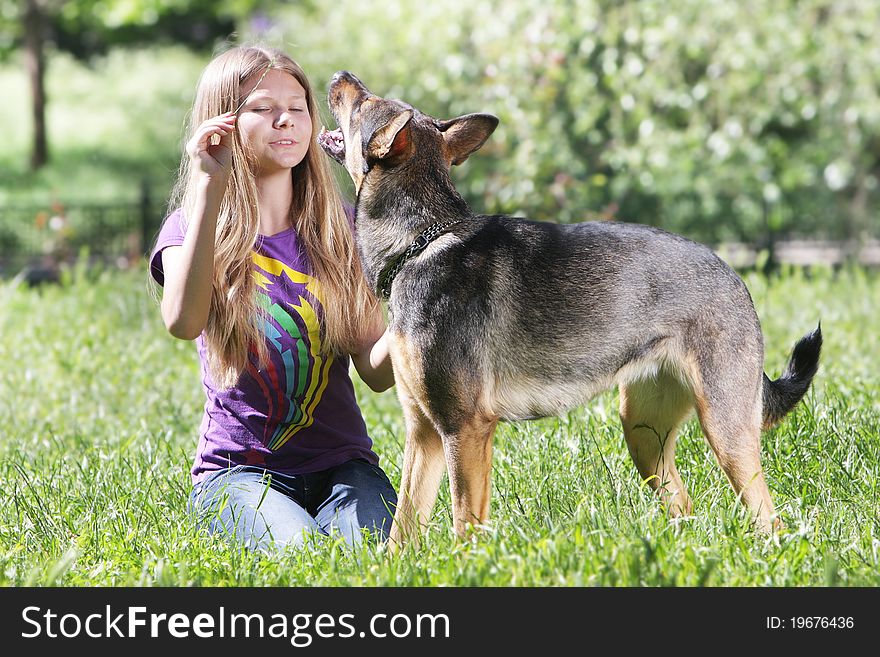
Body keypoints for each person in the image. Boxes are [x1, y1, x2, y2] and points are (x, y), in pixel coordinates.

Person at [149, 45, 397, 552]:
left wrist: (424, 311)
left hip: (344, 469)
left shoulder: (343, 230)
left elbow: (376, 372)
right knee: (299, 557)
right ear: (222, 123)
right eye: (262, 107)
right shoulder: (191, 229)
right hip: (236, 476)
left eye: (299, 106)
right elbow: (182, 319)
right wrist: (209, 186)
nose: (286, 120)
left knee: (368, 560)